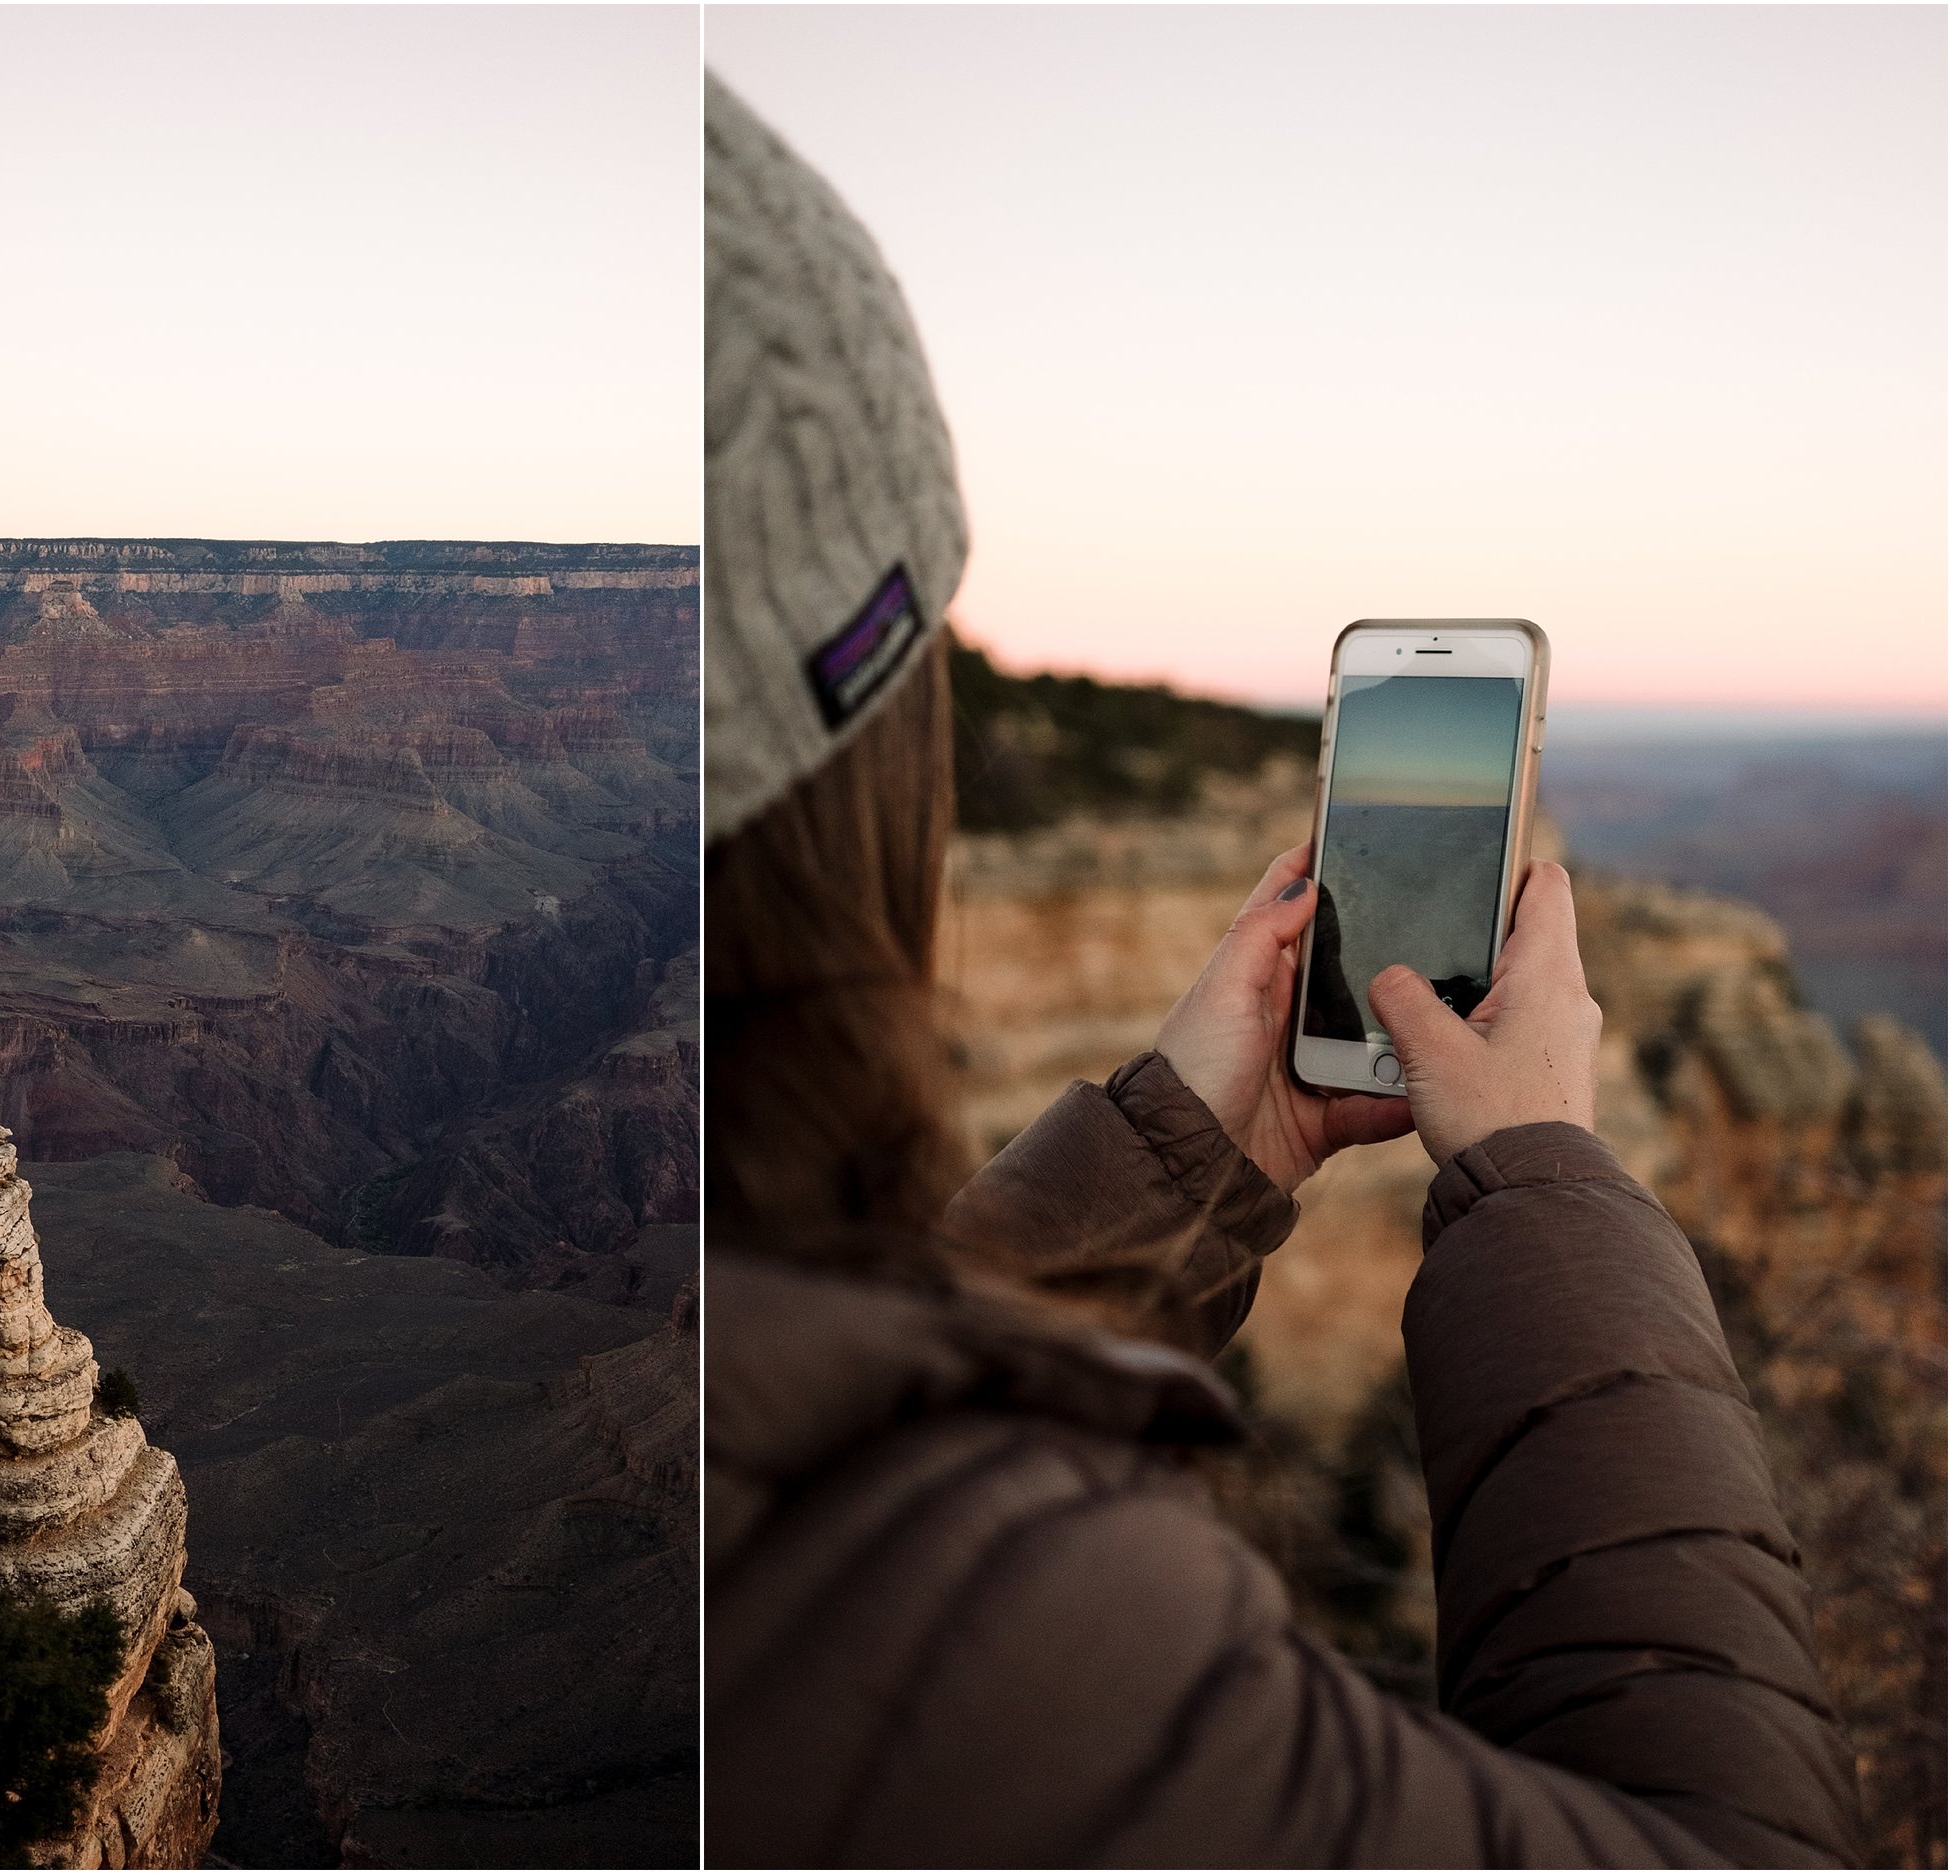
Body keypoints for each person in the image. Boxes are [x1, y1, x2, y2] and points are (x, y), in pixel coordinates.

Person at [702, 74, 1859, 1869]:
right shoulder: (984, 1641)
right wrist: (1547, 1181)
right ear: (861, 752)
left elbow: (841, 1396)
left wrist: (1187, 1153)